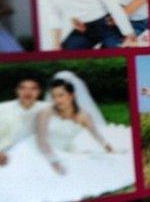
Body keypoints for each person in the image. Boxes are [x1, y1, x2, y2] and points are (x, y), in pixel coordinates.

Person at [0, 72, 134, 201]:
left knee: (87, 169)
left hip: (65, 150)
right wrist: (53, 160)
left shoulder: (83, 116)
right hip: (37, 149)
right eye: (54, 96)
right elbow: (41, 141)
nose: (57, 100)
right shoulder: (46, 113)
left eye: (61, 95)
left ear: (72, 96)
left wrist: (110, 149)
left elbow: (98, 136)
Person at [0, 79, 48, 165]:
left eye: (33, 88)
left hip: (38, 156)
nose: (28, 92)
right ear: (17, 90)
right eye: (23, 88)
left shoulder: (47, 108)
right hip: (6, 155)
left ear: (39, 91)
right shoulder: (2, 108)